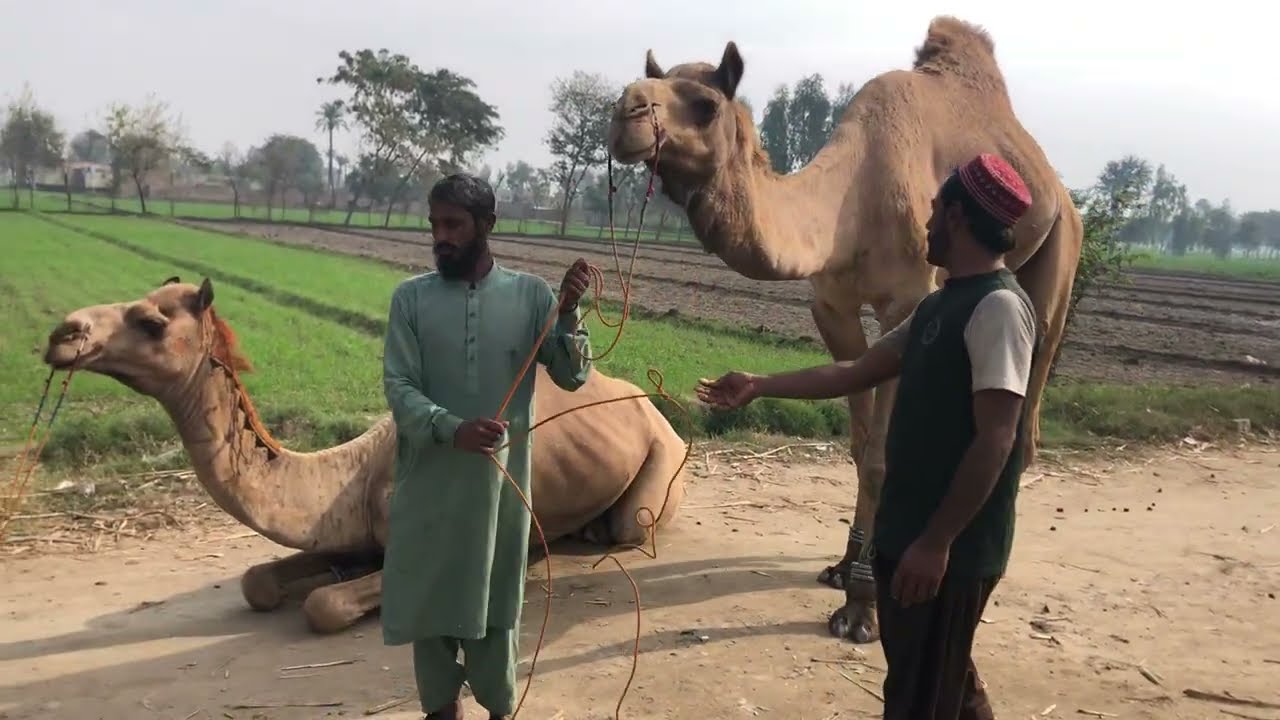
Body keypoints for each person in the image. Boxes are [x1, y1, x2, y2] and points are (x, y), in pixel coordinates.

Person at [697, 153, 1039, 720]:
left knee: (917, 698)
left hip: (949, 551)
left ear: (957, 218)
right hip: (910, 536)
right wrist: (760, 384)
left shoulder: (998, 309)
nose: (925, 224)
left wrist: (936, 543)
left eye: (934, 212)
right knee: (944, 681)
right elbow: (855, 370)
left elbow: (997, 439)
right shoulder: (939, 306)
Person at [380, 173, 593, 720]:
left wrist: (569, 311)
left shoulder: (532, 296)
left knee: (498, 602)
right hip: (429, 485)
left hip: (499, 491)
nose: (441, 236)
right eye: (435, 225)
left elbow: (572, 376)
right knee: (429, 605)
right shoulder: (410, 299)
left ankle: (500, 707)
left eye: (454, 224)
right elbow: (399, 386)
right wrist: (451, 428)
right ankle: (440, 709)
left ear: (486, 225)